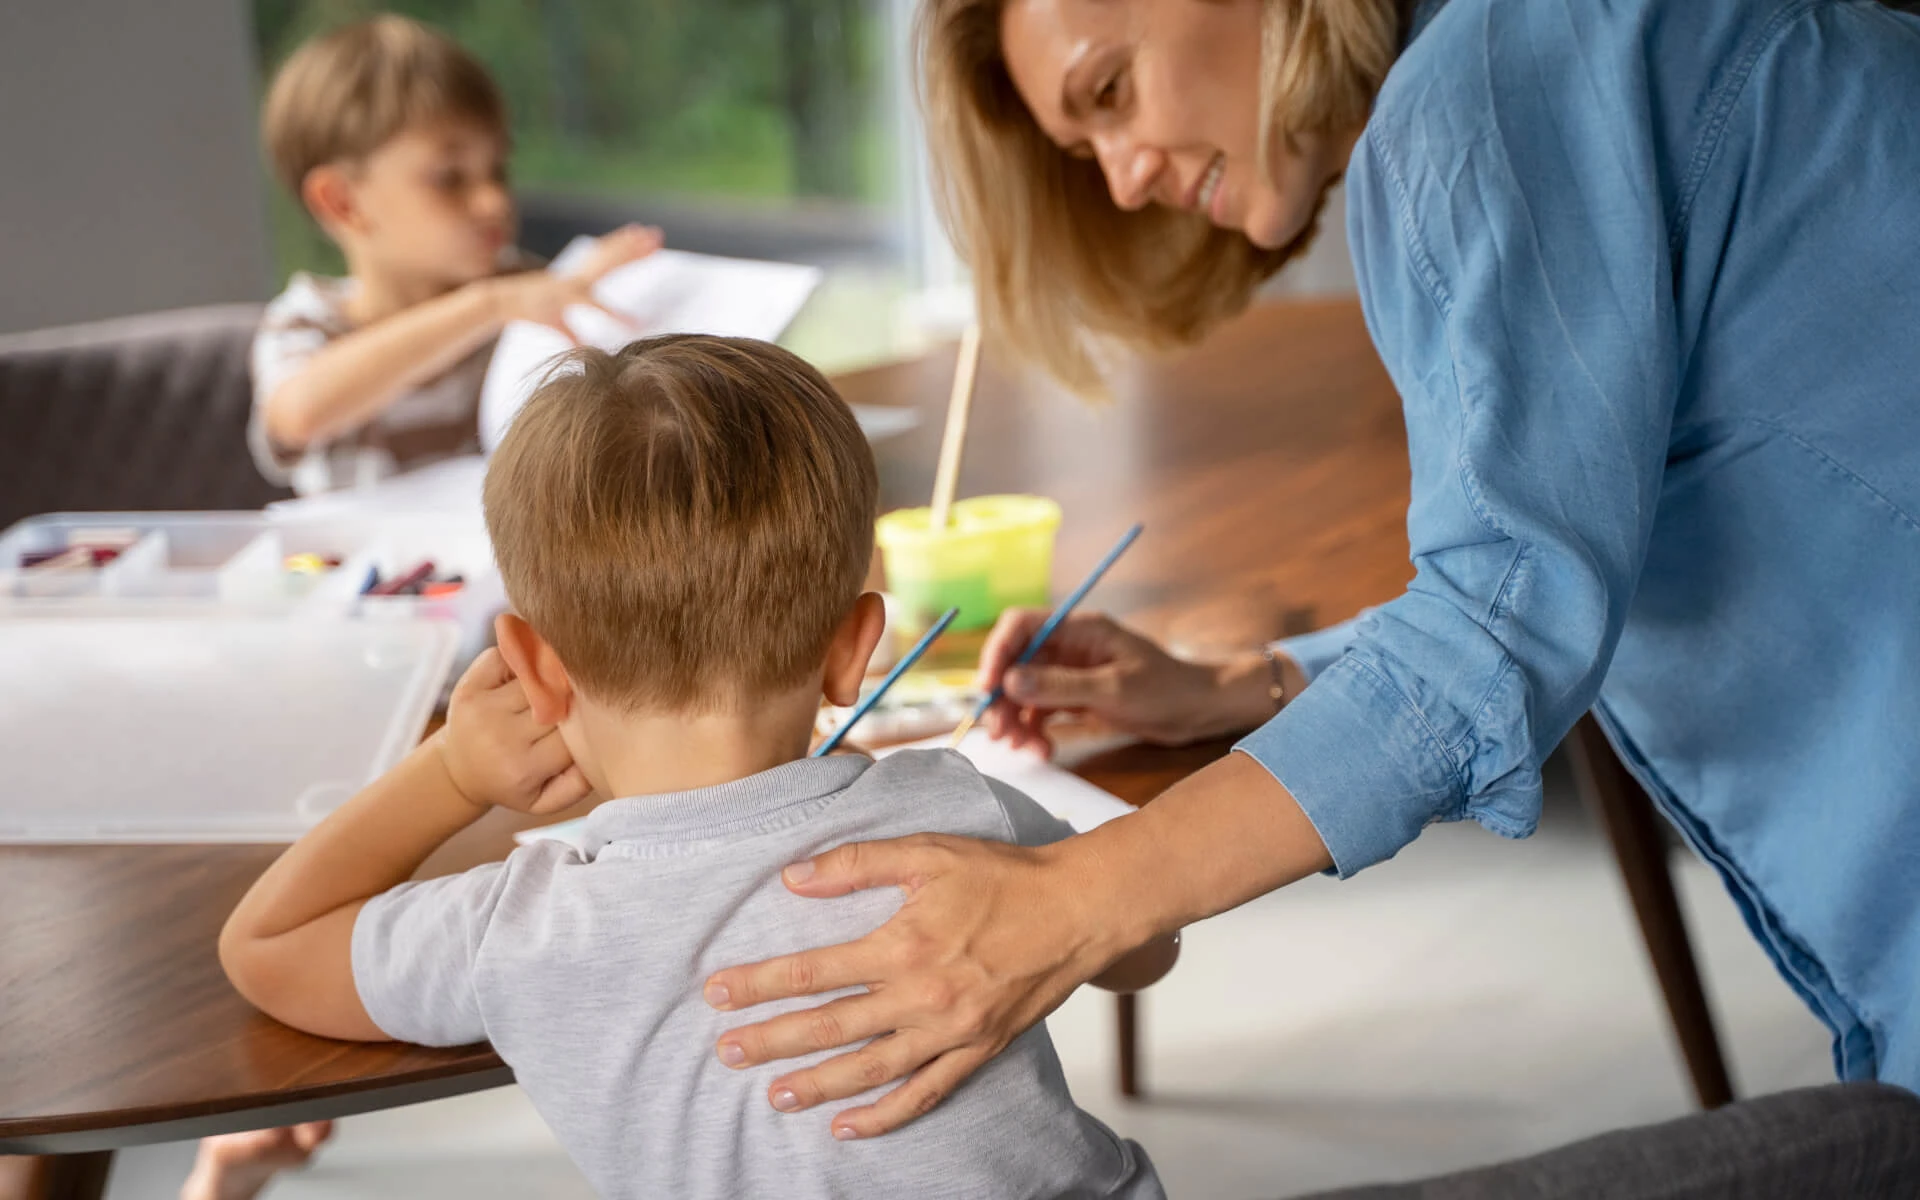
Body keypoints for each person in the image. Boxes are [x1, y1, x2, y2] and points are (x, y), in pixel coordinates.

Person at [695, 0, 1920, 1177]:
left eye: (1111, 91)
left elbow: (1494, 632)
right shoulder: (1543, 43)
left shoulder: (1478, 93)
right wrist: (1249, 681)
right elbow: (1544, 559)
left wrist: (1071, 901)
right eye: (1087, 147)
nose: (1121, 178)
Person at [214, 335, 1176, 1198]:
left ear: (535, 668)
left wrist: (452, 773)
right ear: (854, 650)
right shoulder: (959, 809)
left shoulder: (519, 929)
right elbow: (1141, 944)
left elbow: (266, 945)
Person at [248, 15, 660, 497]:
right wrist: (488, 305)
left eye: (498, 170)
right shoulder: (305, 322)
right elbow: (299, 414)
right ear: (343, 202)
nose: (495, 202)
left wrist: (596, 296)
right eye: (449, 178)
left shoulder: (522, 288)